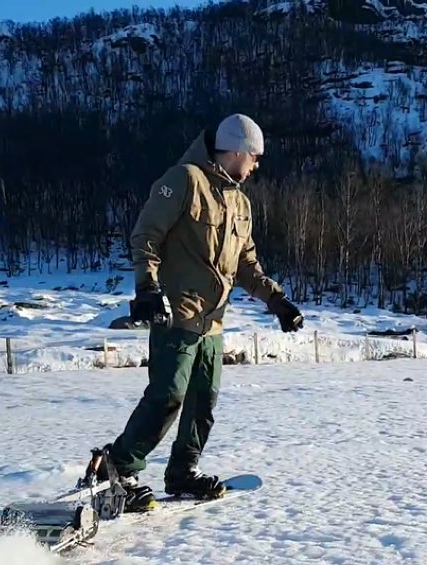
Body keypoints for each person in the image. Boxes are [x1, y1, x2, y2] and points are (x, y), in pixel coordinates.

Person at [94, 113, 304, 513]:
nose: (257, 165)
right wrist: (147, 288)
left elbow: (246, 265)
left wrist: (278, 301)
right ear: (238, 151)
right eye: (255, 157)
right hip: (177, 313)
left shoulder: (240, 202)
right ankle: (119, 469)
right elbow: (146, 236)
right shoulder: (184, 180)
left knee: (203, 402)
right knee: (167, 395)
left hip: (213, 322)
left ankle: (182, 473)